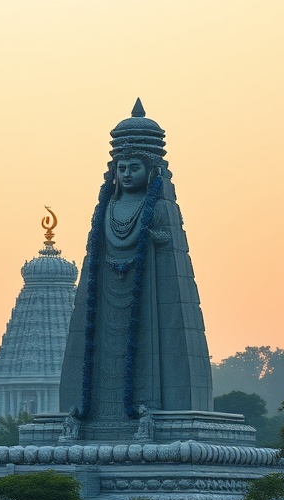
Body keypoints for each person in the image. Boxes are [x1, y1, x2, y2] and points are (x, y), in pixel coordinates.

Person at [59, 100, 213, 430]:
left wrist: (158, 240)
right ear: (113, 171)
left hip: (147, 294)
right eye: (122, 168)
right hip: (106, 294)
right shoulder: (106, 208)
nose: (127, 174)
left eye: (134, 168)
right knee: (101, 349)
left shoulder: (158, 207)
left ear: (152, 170)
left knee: (146, 347)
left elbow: (168, 249)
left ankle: (144, 408)